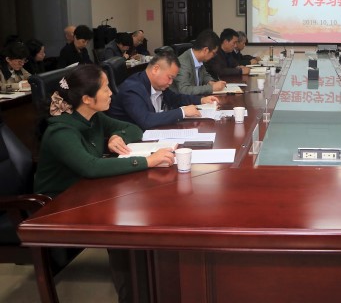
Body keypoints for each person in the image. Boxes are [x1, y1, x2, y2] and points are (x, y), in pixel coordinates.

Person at [33, 64, 175, 302]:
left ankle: (151, 283)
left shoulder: (94, 117)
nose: (112, 93)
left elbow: (133, 129)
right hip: (58, 204)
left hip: (88, 190)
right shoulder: (61, 132)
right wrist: (148, 161)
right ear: (87, 99)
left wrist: (117, 136)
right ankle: (133, 295)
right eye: (106, 88)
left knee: (141, 207)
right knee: (125, 223)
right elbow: (91, 167)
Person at [108, 50, 219, 130]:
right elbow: (146, 120)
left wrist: (201, 100)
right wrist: (182, 112)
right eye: (169, 77)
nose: (171, 82)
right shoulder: (132, 89)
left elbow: (175, 98)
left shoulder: (159, 85)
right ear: (156, 69)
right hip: (130, 143)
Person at [171, 29, 227, 95]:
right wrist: (211, 88)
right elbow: (184, 90)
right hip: (183, 100)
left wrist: (211, 82)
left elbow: (204, 75)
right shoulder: (183, 63)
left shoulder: (199, 59)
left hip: (196, 98)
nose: (213, 56)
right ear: (205, 50)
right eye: (214, 53)